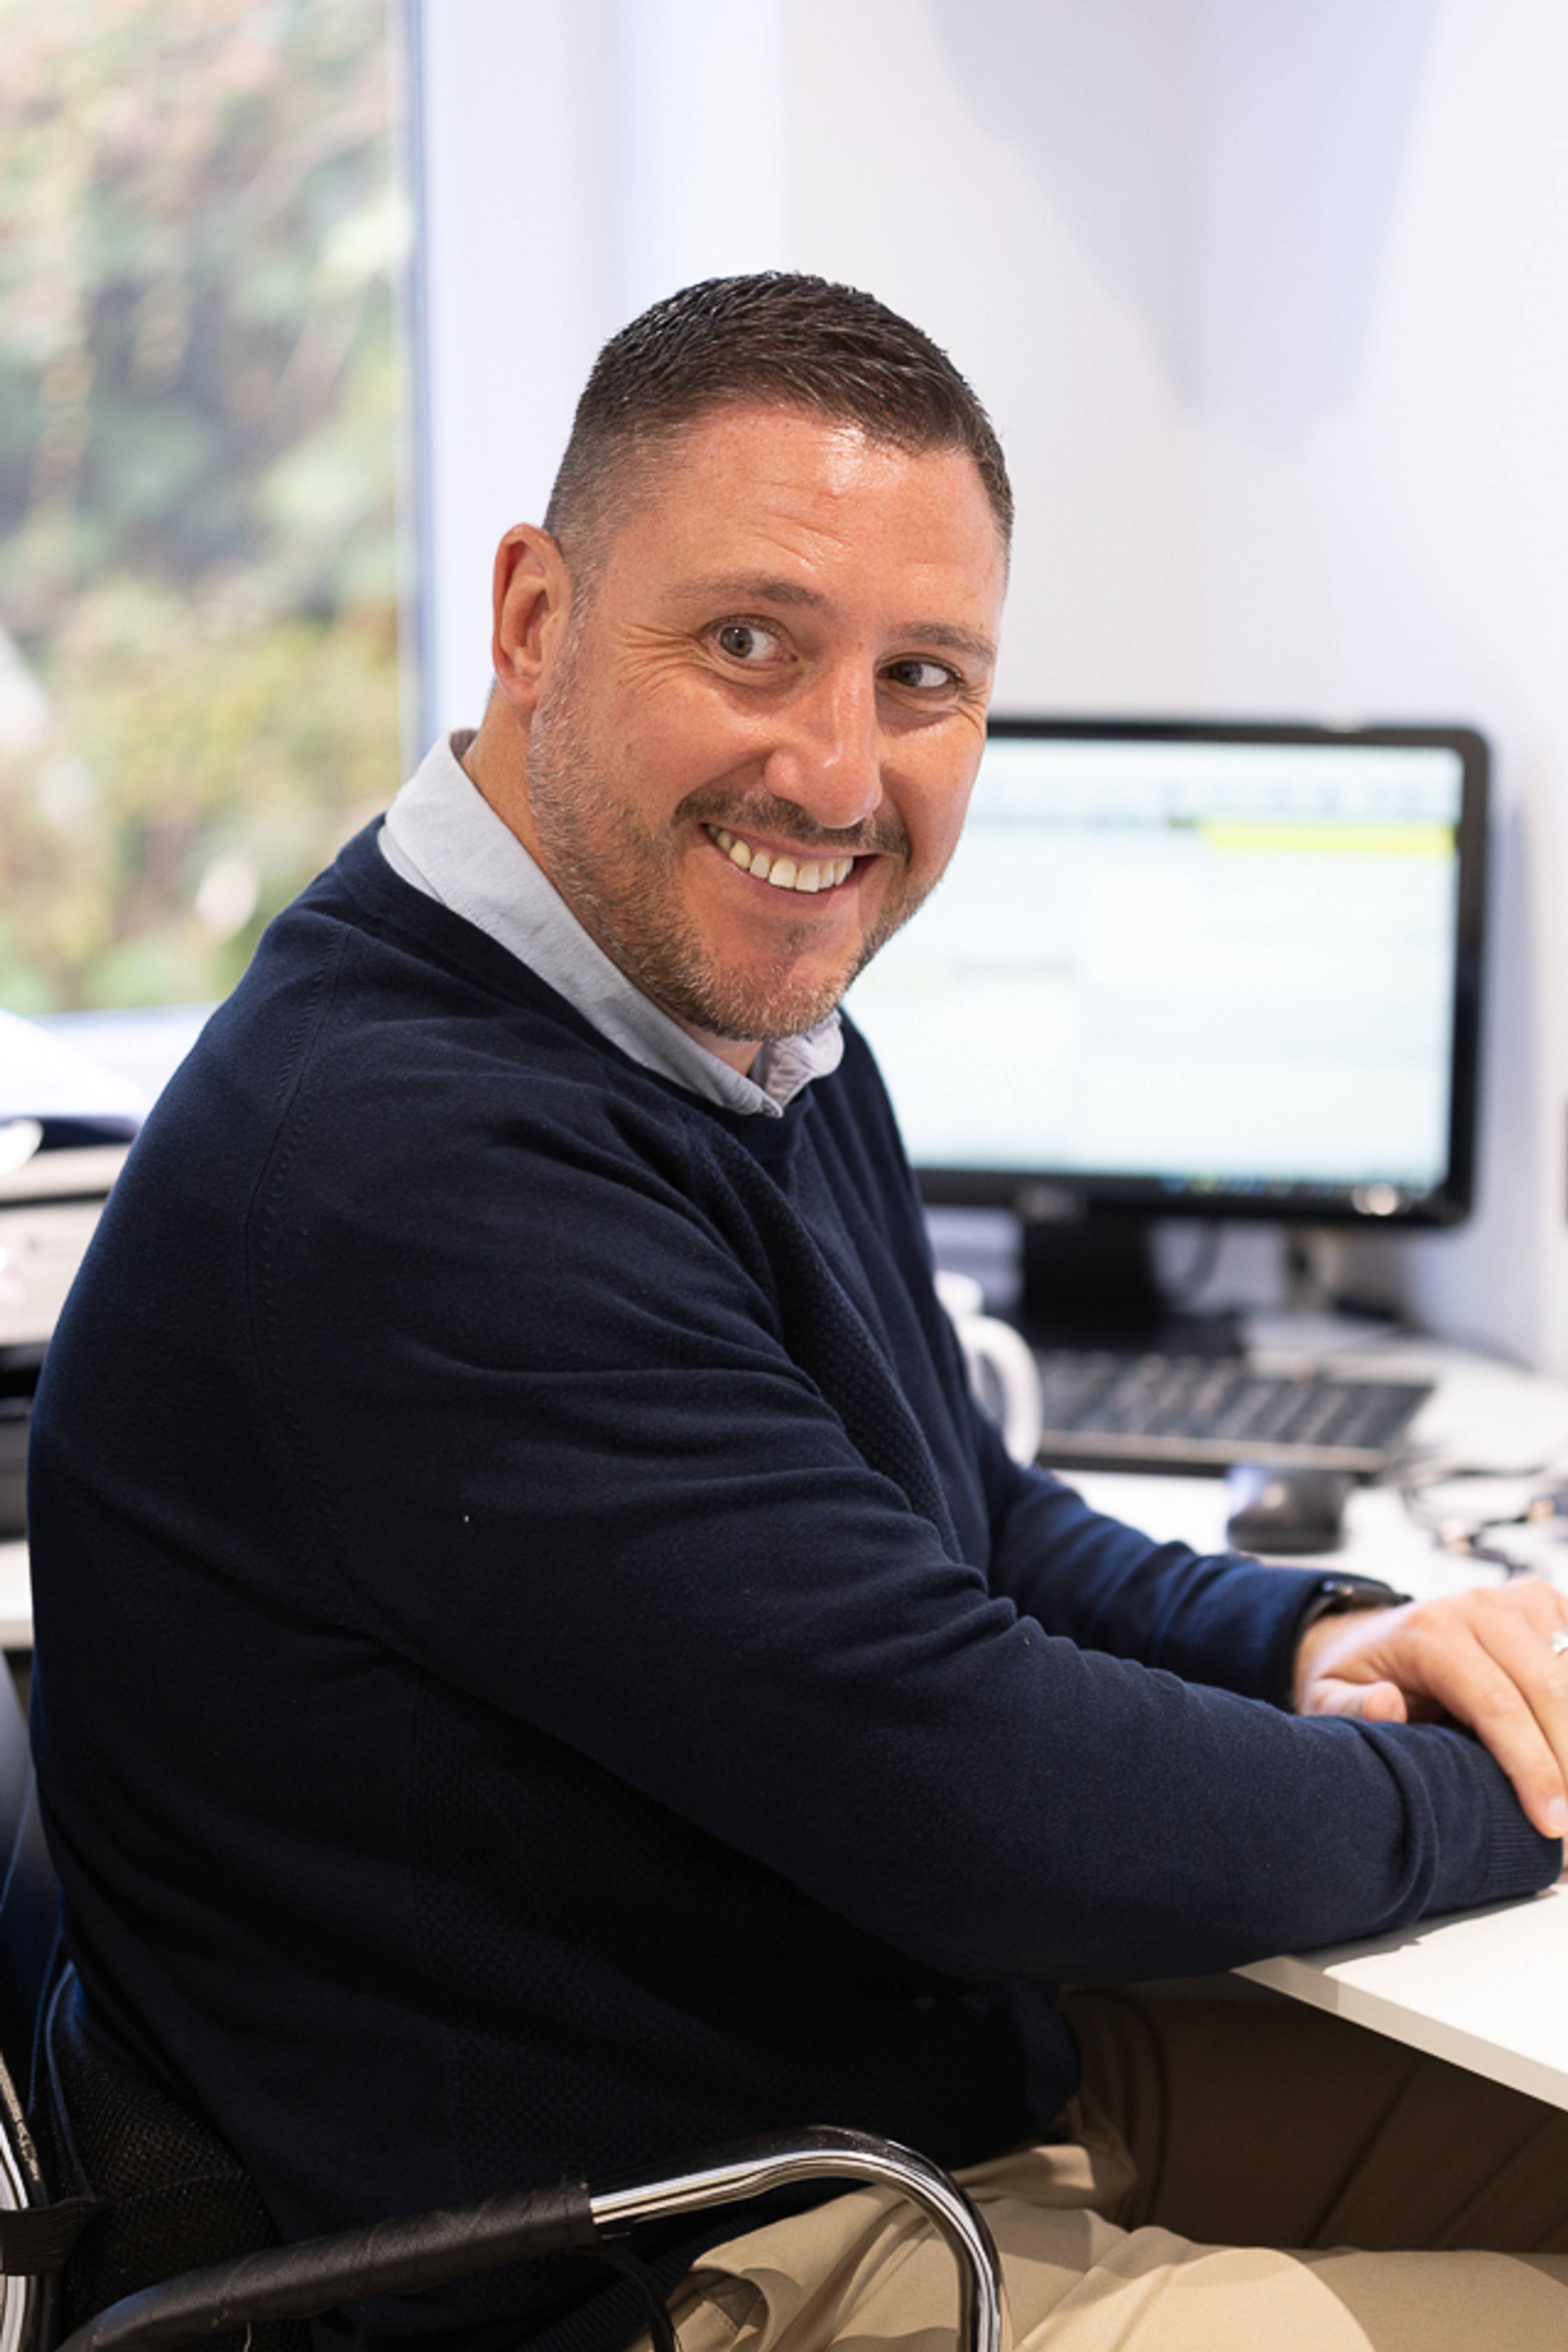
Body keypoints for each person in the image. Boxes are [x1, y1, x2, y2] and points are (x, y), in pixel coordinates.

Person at [25, 274, 1568, 2352]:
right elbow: (993, 1805)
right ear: (537, 620)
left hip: (906, 2089)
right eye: (750, 641)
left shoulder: (727, 1014)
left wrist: (1310, 1642)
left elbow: (969, 1518)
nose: (838, 777)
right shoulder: (413, 1159)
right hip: (666, 2252)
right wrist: (1506, 1791)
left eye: (923, 678)